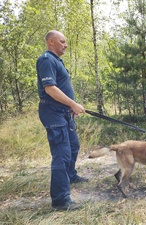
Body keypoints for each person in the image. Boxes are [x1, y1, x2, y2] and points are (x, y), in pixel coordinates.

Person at [36, 30, 88, 210]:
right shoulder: (46, 60)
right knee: (62, 154)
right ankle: (60, 200)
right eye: (62, 41)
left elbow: (61, 88)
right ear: (51, 42)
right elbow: (50, 89)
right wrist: (73, 104)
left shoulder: (57, 61)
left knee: (73, 146)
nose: (66, 45)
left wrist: (70, 107)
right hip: (52, 112)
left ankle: (70, 175)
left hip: (63, 112)